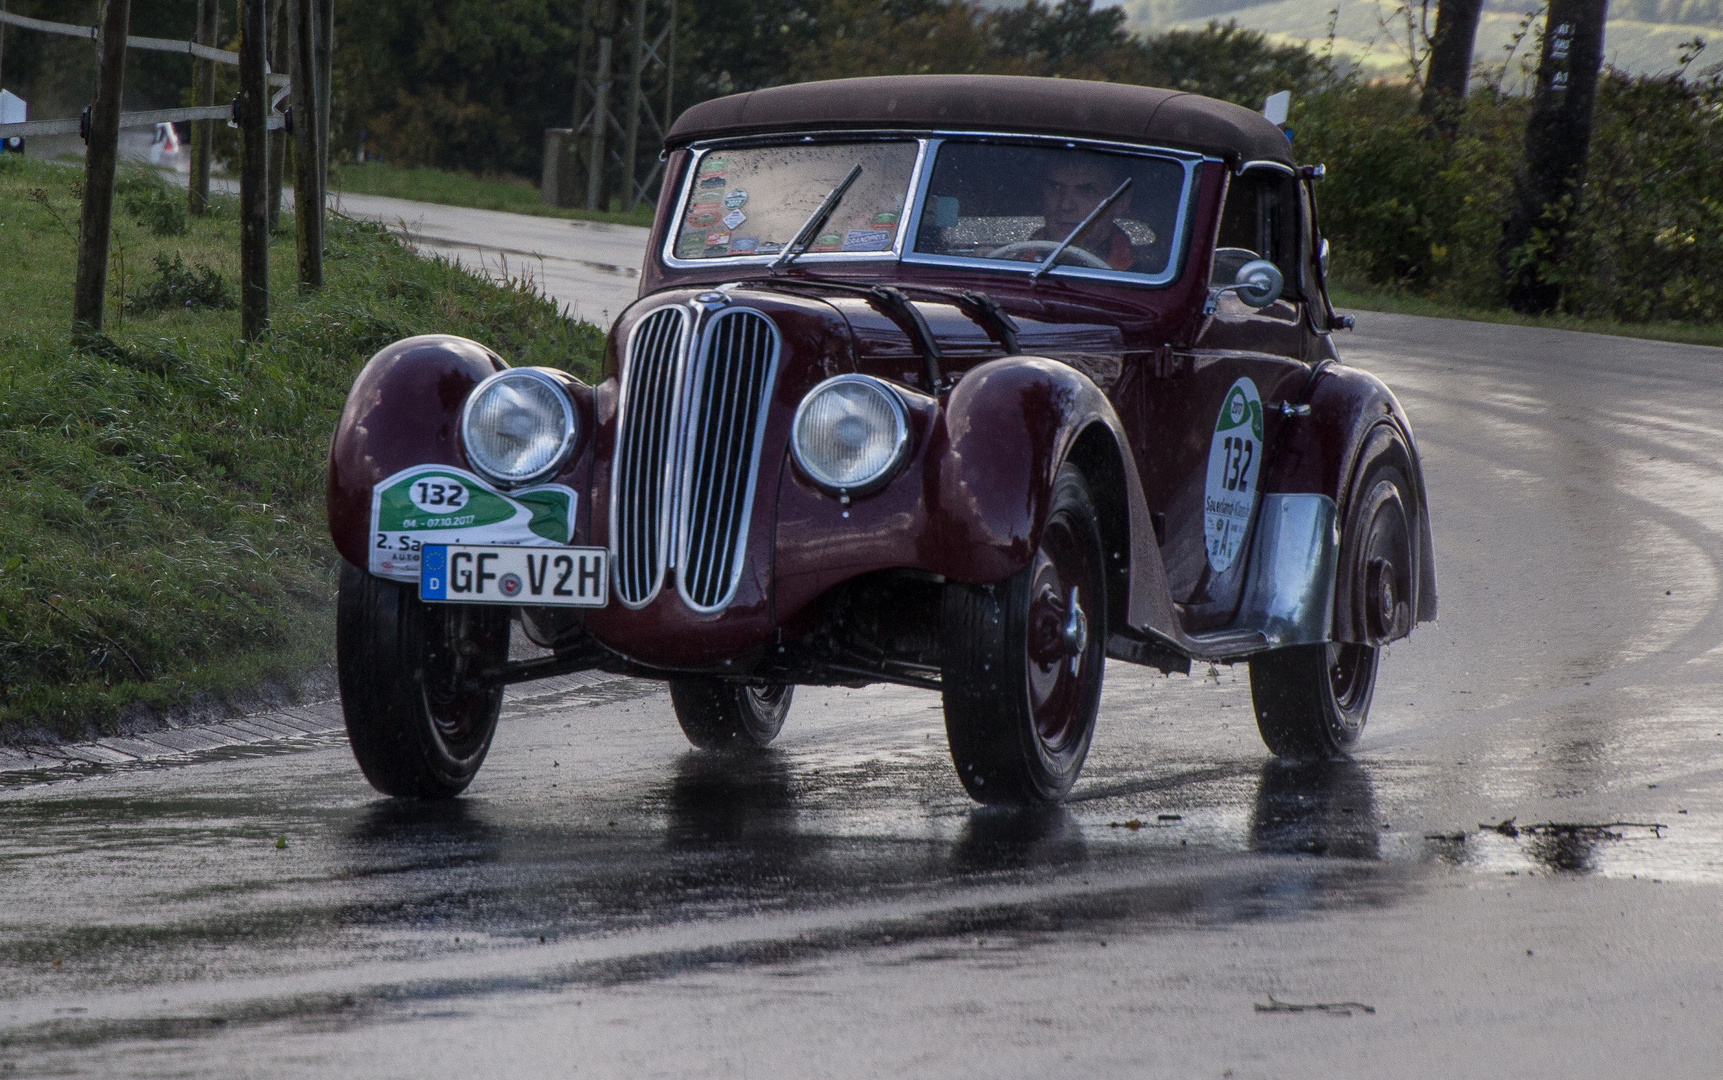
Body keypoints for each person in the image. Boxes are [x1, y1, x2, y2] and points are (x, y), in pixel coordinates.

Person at [1031, 155, 1135, 271]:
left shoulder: (1143, 274)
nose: (1066, 205)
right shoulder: (1011, 263)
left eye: (1087, 190)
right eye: (1055, 187)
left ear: (1121, 201)